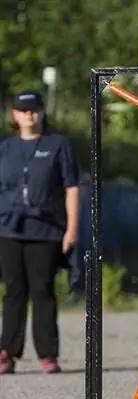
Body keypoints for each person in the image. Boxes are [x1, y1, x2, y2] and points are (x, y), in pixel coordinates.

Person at [0, 91, 81, 374]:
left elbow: (71, 187)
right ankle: (6, 351)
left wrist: (71, 228)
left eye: (34, 109)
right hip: (9, 229)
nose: (28, 115)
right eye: (23, 110)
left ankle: (48, 354)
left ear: (42, 113)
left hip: (46, 230)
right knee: (13, 291)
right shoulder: (6, 148)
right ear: (14, 116)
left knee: (42, 290)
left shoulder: (58, 145)